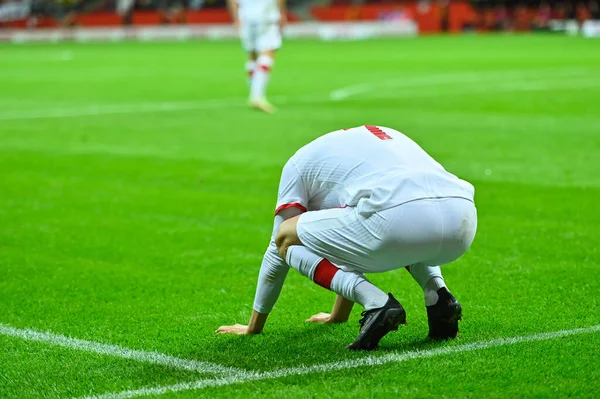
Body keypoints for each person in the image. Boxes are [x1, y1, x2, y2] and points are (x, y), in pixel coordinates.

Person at [217, 125, 477, 350]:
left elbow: (278, 247)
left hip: (397, 220)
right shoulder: (373, 143)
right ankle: (438, 294)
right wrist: (336, 317)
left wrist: (253, 326)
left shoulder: (296, 166)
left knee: (286, 236)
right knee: (395, 220)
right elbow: (343, 243)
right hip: (463, 219)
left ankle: (376, 302)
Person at [226, 0, 286, 114]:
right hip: (267, 17)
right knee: (268, 53)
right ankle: (257, 97)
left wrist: (235, 18)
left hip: (246, 17)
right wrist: (282, 12)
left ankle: (254, 94)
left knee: (252, 56)